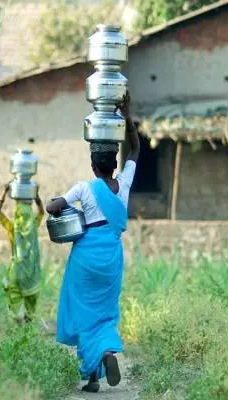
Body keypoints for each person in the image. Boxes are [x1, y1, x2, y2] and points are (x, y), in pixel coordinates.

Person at [46, 92, 140, 393]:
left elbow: (52, 208)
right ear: (115, 163)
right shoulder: (123, 184)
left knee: (84, 311)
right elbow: (135, 149)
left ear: (92, 164)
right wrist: (127, 115)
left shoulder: (84, 187)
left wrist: (59, 204)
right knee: (105, 309)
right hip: (111, 255)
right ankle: (106, 354)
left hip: (85, 256)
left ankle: (93, 375)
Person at [0, 184, 45, 323]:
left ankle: (19, 324)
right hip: (31, 272)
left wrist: (4, 193)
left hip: (16, 272)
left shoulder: (12, 228)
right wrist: (36, 197)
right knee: (31, 302)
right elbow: (41, 212)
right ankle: (27, 326)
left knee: (16, 301)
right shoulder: (33, 227)